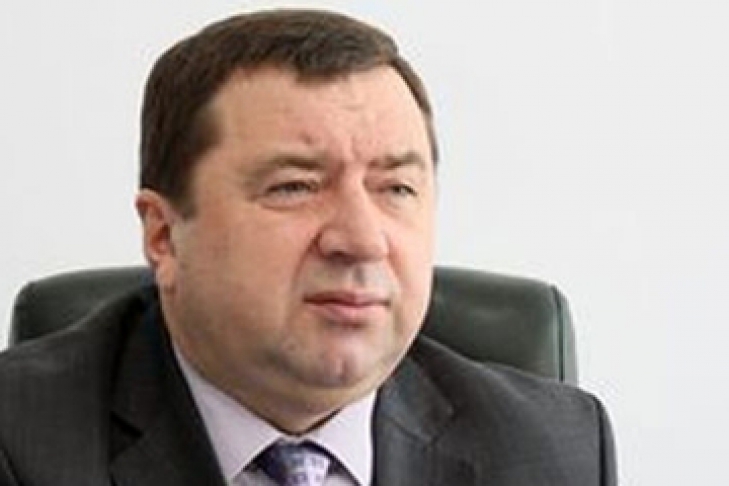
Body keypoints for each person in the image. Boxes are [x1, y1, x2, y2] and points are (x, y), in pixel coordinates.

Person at [0, 8, 616, 486]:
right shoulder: (21, 445)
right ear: (163, 235)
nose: (362, 240)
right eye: (294, 186)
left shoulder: (551, 450)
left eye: (396, 188)